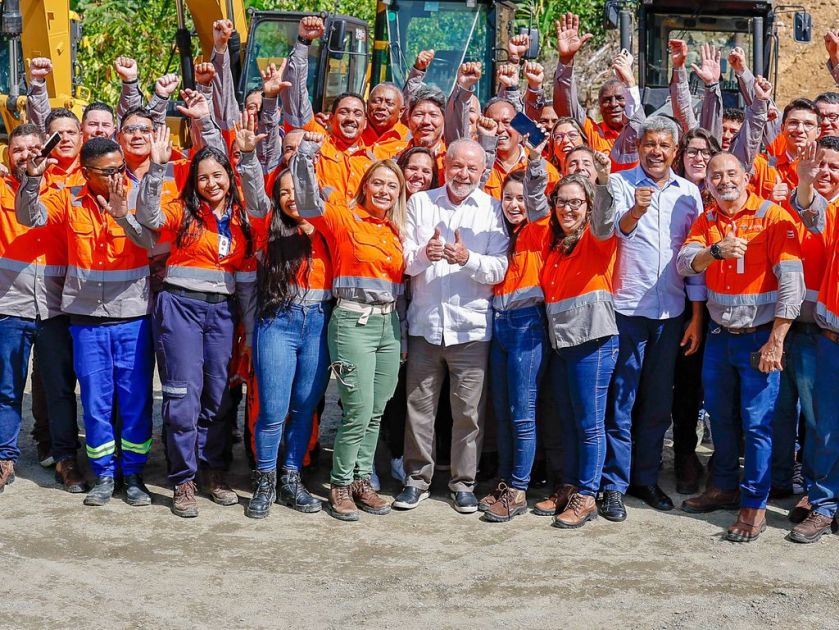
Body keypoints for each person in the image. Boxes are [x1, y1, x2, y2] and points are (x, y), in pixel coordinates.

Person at [16, 137, 155, 507]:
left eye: (120, 168)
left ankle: (134, 475)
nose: (117, 176)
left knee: (134, 401)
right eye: (108, 172)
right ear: (85, 172)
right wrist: (32, 180)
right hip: (86, 320)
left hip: (133, 318)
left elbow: (150, 242)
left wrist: (123, 214)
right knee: (96, 402)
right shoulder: (68, 198)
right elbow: (29, 218)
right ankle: (105, 475)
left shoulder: (138, 195)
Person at [677, 152, 804, 542]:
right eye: (716, 176)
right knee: (720, 418)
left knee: (758, 424)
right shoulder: (708, 219)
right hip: (720, 336)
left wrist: (776, 340)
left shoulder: (773, 217)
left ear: (747, 176)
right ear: (708, 183)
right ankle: (724, 486)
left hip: (759, 337)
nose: (724, 181)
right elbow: (685, 263)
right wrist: (715, 251)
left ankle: (754, 504)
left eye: (732, 173)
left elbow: (792, 284)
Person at [136, 129, 255, 518]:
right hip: (181, 309)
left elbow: (245, 282)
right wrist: (156, 168)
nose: (211, 183)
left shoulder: (241, 219)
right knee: (182, 396)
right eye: (203, 177)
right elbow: (148, 216)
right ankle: (183, 478)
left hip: (222, 314)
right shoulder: (182, 210)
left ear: (229, 176)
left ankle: (213, 470)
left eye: (218, 175)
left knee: (218, 396)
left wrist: (247, 330)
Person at [291, 132, 406, 522]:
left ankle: (360, 479)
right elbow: (308, 202)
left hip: (388, 325)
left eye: (392, 186)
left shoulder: (396, 230)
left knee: (376, 410)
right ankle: (339, 484)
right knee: (356, 409)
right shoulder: (344, 217)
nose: (384, 191)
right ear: (365, 186)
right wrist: (306, 155)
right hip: (352, 323)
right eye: (378, 183)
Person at [599, 116, 705, 522]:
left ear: (675, 151)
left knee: (658, 404)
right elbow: (613, 232)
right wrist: (635, 211)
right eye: (649, 144)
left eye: (664, 145)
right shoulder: (620, 183)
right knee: (621, 400)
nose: (656, 152)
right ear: (638, 147)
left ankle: (645, 478)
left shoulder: (688, 193)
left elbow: (694, 257)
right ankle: (614, 483)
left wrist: (696, 317)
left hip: (671, 314)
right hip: (626, 310)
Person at [395, 138, 509, 514]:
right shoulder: (420, 203)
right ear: (445, 165)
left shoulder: (492, 209)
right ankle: (416, 480)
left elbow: (500, 268)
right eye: (457, 166)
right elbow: (403, 260)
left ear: (483, 172)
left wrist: (467, 258)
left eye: (472, 168)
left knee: (468, 414)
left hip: (471, 328)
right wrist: (424, 255)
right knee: (419, 409)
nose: (463, 174)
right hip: (425, 325)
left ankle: (463, 484)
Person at [238, 118, 333, 518]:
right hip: (278, 320)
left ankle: (292, 477)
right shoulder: (267, 225)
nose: (292, 198)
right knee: (272, 410)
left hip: (319, 322)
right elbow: (252, 191)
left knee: (305, 408)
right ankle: (265, 481)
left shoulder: (327, 224)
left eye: (298, 190)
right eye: (284, 192)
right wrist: (247, 157)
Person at [0, 124, 83, 495]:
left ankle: (65, 457)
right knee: (6, 388)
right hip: (9, 304)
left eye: (34, 148)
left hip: (54, 307)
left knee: (59, 389)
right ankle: (4, 458)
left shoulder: (64, 191)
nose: (26, 155)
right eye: (18, 149)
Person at [540, 154, 617, 528]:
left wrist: (602, 182)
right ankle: (570, 485)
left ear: (588, 206)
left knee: (589, 424)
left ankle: (587, 495)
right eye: (562, 201)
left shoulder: (595, 238)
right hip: (563, 344)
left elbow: (605, 217)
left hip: (593, 342)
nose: (567, 209)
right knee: (568, 422)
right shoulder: (556, 245)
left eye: (576, 202)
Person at [479, 151, 550, 522]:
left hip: (527, 324)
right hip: (500, 322)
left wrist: (535, 165)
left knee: (523, 412)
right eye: (507, 197)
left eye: (520, 198)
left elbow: (537, 200)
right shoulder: (501, 233)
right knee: (504, 412)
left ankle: (519, 489)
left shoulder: (539, 227)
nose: (514, 204)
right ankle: (506, 480)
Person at [782, 137, 839, 533]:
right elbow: (812, 214)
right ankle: (824, 502)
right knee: (825, 427)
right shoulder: (833, 214)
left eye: (834, 166)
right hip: (830, 338)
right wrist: (804, 181)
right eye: (823, 165)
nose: (826, 172)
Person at [281, 16, 373, 198]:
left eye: (357, 113)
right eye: (344, 112)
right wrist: (304, 42)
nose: (350, 118)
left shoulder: (375, 160)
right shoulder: (317, 143)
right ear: (330, 119)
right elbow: (296, 97)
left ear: (365, 122)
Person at [553, 13, 642, 172]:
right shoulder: (591, 132)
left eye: (619, 98)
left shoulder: (645, 132)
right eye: (607, 100)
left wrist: (630, 83)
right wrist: (566, 61)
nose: (613, 104)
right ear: (599, 107)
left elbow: (635, 125)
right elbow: (567, 108)